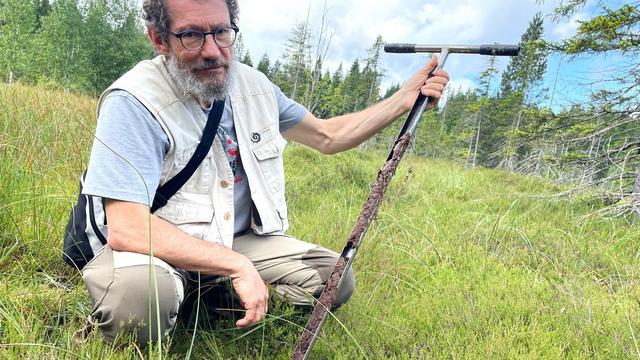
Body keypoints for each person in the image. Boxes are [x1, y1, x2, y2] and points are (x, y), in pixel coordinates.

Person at [78, 0, 449, 345]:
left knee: (333, 278)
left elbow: (329, 136)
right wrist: (237, 265)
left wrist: (404, 99)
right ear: (159, 39)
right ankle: (179, 293)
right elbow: (127, 227)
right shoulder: (134, 101)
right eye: (191, 35)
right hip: (152, 247)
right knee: (140, 301)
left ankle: (207, 296)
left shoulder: (255, 88)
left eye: (221, 32)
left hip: (230, 238)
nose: (211, 50)